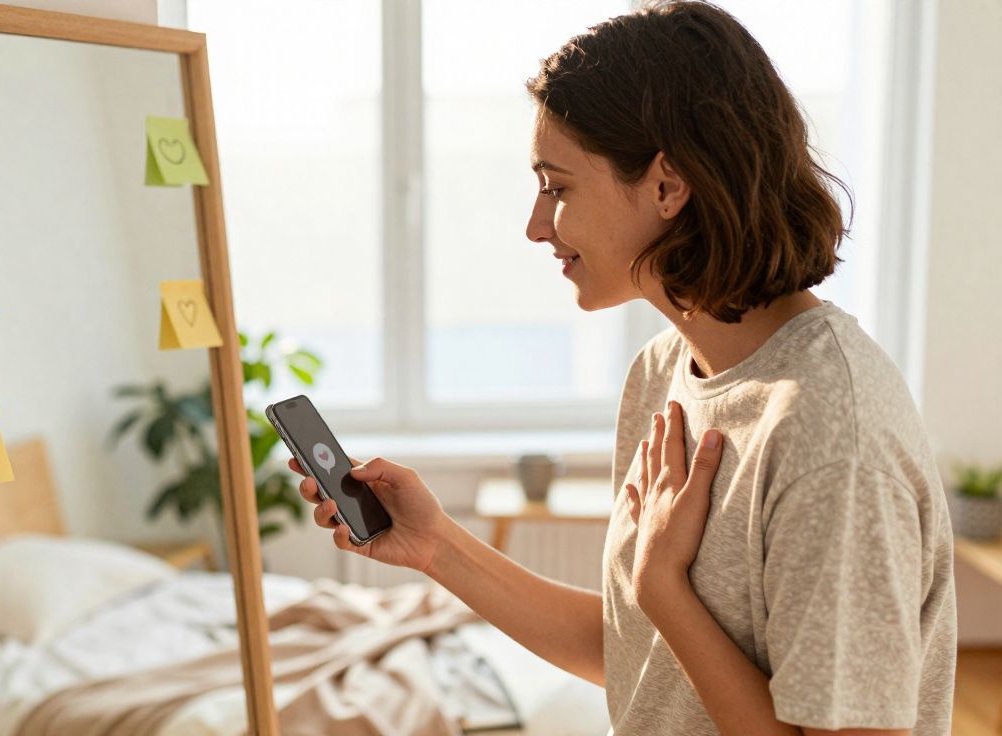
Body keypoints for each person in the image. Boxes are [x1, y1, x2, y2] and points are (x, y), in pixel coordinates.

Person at [287, 2, 957, 734]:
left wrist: (664, 588)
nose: (537, 225)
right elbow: (638, 656)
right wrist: (437, 546)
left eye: (558, 186)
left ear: (668, 186)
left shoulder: (833, 436)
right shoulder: (664, 371)